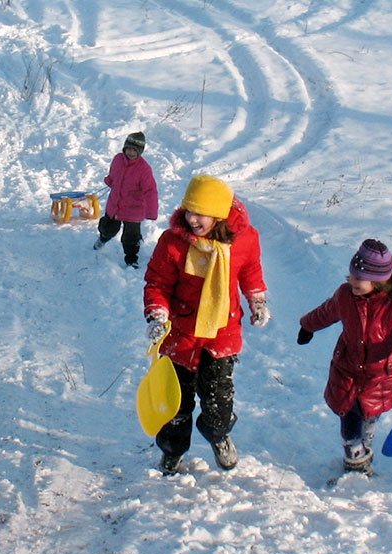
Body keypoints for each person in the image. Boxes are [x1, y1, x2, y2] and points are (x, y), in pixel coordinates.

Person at [143, 174, 270, 475]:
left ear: (218, 213)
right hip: (181, 335)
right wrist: (158, 314)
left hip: (221, 336)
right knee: (175, 403)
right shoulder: (173, 242)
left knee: (218, 402)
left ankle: (218, 435)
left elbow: (251, 271)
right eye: (188, 211)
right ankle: (172, 451)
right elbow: (157, 283)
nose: (192, 219)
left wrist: (257, 301)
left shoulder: (245, 239)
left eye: (200, 213)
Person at [297, 239, 392, 476]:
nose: (352, 281)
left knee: (370, 416)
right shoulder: (345, 296)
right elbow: (327, 311)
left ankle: (362, 453)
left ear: (379, 282)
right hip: (347, 369)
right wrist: (308, 326)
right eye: (351, 276)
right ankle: (355, 461)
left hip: (379, 375)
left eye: (359, 278)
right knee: (349, 418)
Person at [94, 131, 158, 268]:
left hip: (134, 210)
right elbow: (113, 174)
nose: (130, 152)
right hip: (115, 204)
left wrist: (151, 211)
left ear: (140, 151)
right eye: (128, 149)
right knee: (107, 227)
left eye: (134, 150)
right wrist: (110, 181)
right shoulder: (118, 159)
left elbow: (150, 190)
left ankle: (131, 258)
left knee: (131, 237)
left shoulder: (144, 169)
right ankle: (102, 238)